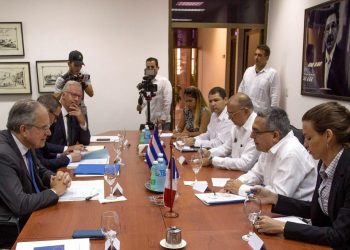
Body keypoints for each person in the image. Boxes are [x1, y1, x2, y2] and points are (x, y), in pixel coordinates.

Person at [251, 102, 350, 249]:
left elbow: (340, 236)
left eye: (309, 138)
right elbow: (316, 210)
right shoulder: (324, 164)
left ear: (328, 136)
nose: (305, 144)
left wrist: (283, 227)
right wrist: (275, 199)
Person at [0, 100, 71, 247]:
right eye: (44, 127)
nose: (49, 132)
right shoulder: (3, 155)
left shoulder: (25, 141)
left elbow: (39, 169)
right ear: (24, 129)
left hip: (36, 215)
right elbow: (20, 204)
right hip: (16, 230)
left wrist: (53, 178)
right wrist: (55, 191)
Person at [224, 107, 316, 201]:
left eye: (256, 132)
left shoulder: (291, 153)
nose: (252, 136)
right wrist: (235, 183)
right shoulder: (269, 147)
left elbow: (278, 196)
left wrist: (240, 189)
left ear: (275, 136)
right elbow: (256, 174)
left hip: (294, 213)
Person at [201, 93, 260, 171]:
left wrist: (212, 160)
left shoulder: (257, 129)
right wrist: (209, 153)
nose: (229, 118)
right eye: (228, 113)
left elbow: (245, 164)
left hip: (247, 176)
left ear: (245, 111)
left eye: (232, 114)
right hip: (235, 173)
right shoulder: (237, 126)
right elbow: (226, 148)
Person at [36, 94, 82, 171]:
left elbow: (44, 151)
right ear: (46, 112)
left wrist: (62, 154)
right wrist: (69, 158)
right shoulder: (34, 130)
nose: (56, 120)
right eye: (56, 117)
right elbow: (41, 163)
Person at [238, 44, 280, 113]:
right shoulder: (248, 71)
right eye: (255, 54)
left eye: (260, 55)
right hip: (246, 113)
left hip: (261, 116)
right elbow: (241, 90)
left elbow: (275, 98)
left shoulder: (272, 74)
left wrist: (272, 118)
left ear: (267, 58)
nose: (256, 57)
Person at [48, 81, 91, 146]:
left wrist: (82, 123)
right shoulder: (52, 112)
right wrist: (65, 150)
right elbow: (45, 145)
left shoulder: (78, 113)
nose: (76, 99)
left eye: (79, 96)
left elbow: (85, 142)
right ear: (63, 95)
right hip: (55, 155)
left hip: (72, 155)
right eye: (74, 95)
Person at [136, 57, 172, 130]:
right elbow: (145, 99)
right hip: (149, 120)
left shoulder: (164, 81)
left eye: (152, 67)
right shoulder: (145, 82)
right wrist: (141, 106)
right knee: (148, 141)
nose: (150, 69)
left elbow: (167, 101)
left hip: (162, 121)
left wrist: (163, 118)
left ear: (157, 68)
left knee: (162, 141)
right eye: (148, 67)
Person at [55, 50, 94, 117]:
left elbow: (91, 94)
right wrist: (66, 85)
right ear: (69, 63)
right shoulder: (61, 79)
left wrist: (83, 83)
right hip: (66, 110)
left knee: (83, 127)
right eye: (76, 65)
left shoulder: (84, 76)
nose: (78, 68)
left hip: (80, 109)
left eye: (80, 65)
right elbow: (55, 99)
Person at [323, 8, 348, 96]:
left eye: (333, 26)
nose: (330, 32)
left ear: (337, 29)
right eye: (327, 28)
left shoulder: (345, 60)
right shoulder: (318, 60)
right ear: (324, 33)